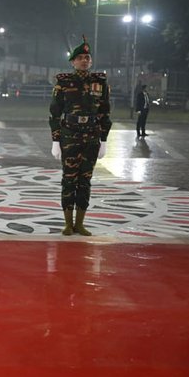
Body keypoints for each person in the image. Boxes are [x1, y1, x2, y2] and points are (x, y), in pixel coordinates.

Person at [49, 36, 112, 236]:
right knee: (69, 179)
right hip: (70, 135)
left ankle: (80, 223)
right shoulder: (63, 82)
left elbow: (104, 112)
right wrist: (56, 140)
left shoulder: (100, 83)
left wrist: (104, 140)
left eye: (87, 57)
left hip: (91, 137)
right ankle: (68, 223)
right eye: (80, 58)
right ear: (73, 61)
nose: (84, 60)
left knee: (85, 180)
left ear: (91, 61)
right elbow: (55, 112)